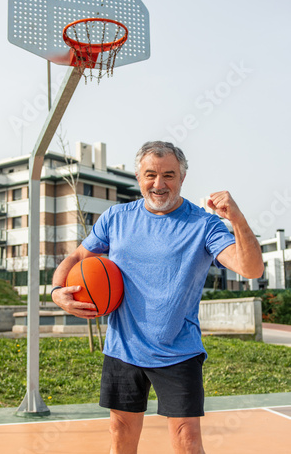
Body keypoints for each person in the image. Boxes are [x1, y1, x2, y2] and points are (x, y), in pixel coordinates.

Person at [51, 141, 264, 454]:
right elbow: (78, 257)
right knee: (120, 433)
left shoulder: (204, 224)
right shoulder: (116, 218)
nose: (159, 184)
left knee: (187, 440)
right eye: (150, 175)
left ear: (182, 178)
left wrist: (237, 218)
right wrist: (57, 291)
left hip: (178, 350)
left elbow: (252, 268)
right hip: (124, 347)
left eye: (169, 175)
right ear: (139, 177)